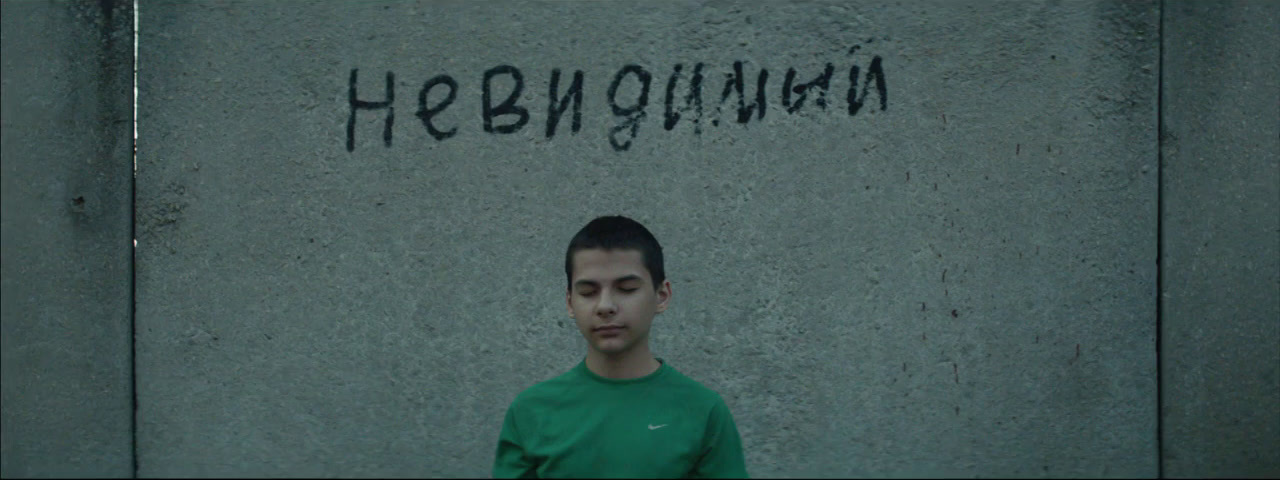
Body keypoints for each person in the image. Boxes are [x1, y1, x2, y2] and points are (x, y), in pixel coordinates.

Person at [492, 215, 749, 478]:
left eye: (626, 289)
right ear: (570, 303)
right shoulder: (531, 411)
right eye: (588, 292)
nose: (605, 306)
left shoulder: (703, 411)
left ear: (662, 295)